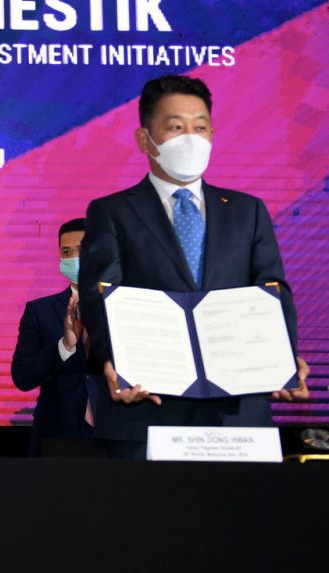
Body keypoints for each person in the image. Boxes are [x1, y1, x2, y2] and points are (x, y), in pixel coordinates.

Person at [78, 75, 309, 458]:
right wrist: (117, 362)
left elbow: (272, 290)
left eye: (200, 127)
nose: (190, 138)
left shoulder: (247, 211)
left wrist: (284, 358)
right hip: (148, 409)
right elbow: (100, 296)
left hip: (239, 415)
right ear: (144, 139)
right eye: (175, 127)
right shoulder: (112, 211)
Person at [11, 218, 101, 456]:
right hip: (59, 437)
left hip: (118, 434)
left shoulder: (129, 304)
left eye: (81, 250)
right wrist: (65, 346)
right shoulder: (40, 311)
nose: (74, 258)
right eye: (66, 252)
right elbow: (23, 376)